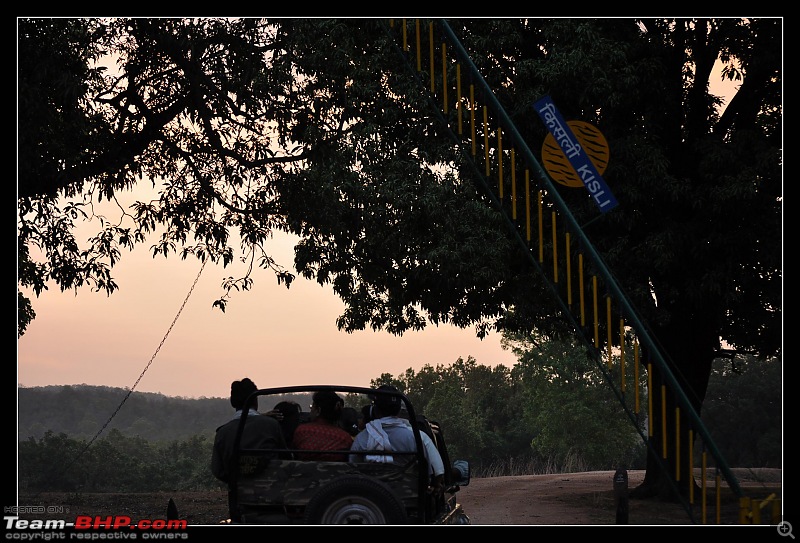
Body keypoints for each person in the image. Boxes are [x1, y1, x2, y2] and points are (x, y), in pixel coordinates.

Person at [211, 377, 288, 519]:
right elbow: (286, 458)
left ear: (233, 402)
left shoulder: (222, 433)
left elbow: (217, 470)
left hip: (239, 502)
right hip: (272, 501)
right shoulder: (271, 425)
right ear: (255, 400)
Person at [349, 385, 445, 496]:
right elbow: (431, 474)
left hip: (370, 504)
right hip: (409, 502)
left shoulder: (362, 438)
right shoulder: (415, 438)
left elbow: (352, 470)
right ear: (398, 410)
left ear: (375, 410)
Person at [291, 390, 354, 461]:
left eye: (312, 407)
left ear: (318, 410)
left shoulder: (302, 431)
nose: (311, 410)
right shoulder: (345, 438)